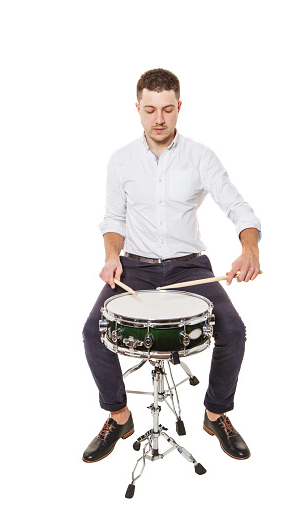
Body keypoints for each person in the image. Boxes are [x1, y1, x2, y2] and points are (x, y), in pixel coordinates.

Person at [82, 68, 261, 463]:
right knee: (93, 332)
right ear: (138, 109)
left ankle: (216, 414)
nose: (158, 119)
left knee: (233, 329)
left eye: (167, 110)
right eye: (150, 110)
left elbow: (239, 207)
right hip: (136, 266)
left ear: (179, 107)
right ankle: (119, 416)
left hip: (190, 268)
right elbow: (114, 220)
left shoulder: (200, 156)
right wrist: (112, 256)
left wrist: (250, 249)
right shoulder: (122, 161)